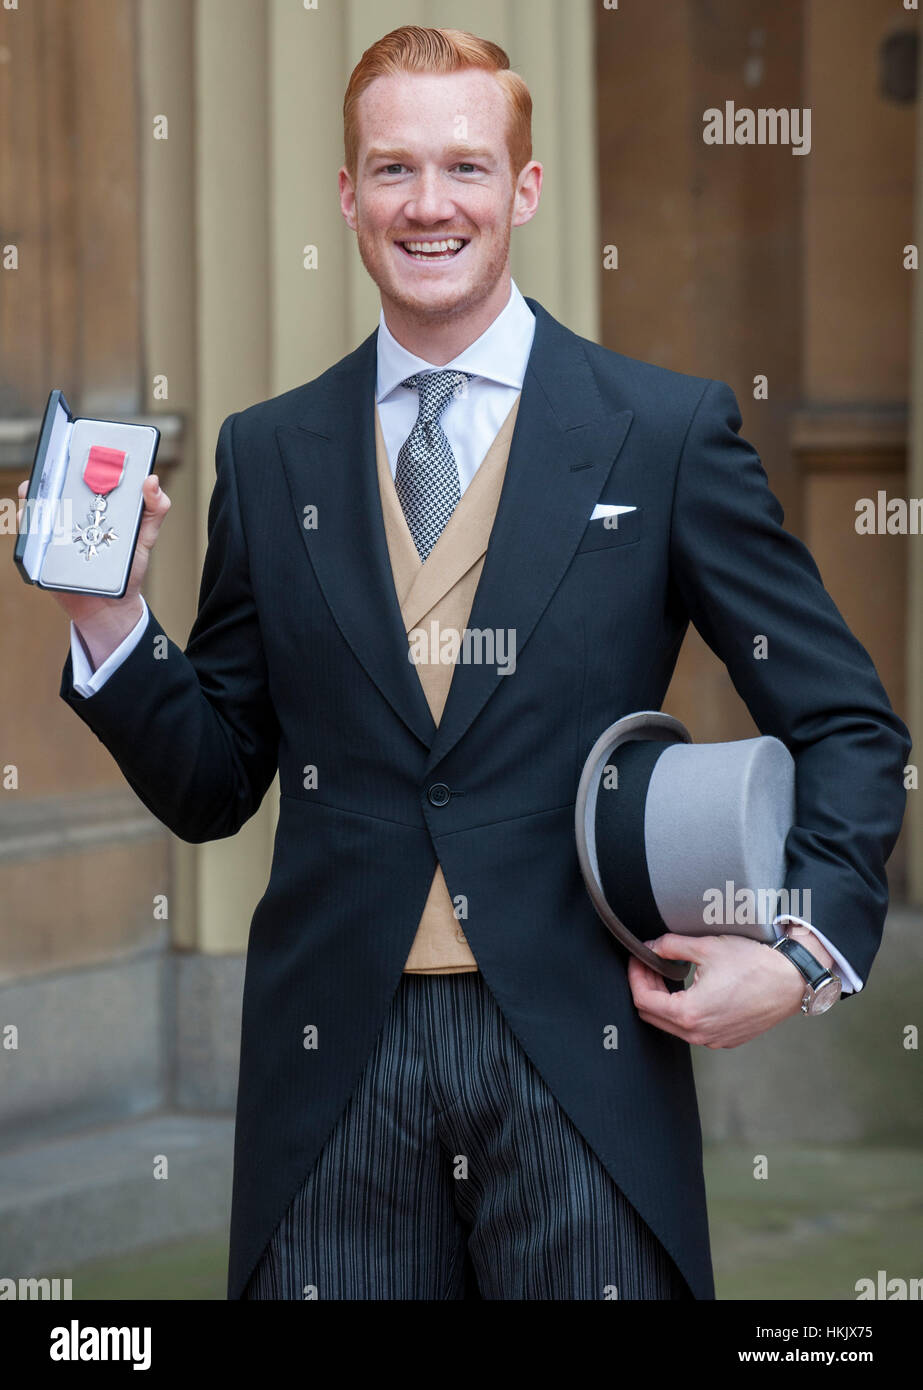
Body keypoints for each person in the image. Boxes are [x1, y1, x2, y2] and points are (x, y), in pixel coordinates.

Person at [26, 26, 911, 1300]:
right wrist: (110, 620)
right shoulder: (269, 455)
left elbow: (844, 722)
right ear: (345, 196)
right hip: (334, 1071)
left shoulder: (660, 435)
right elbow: (213, 780)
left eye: (466, 168)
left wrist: (799, 950)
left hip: (583, 1054)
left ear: (525, 190)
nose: (428, 205)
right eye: (391, 170)